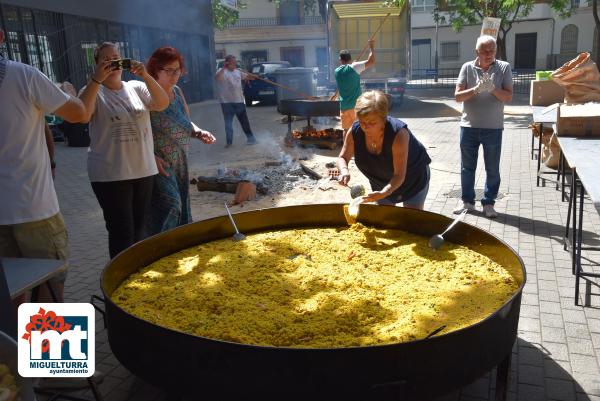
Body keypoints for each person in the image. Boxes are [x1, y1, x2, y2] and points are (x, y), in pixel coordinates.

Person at [0, 28, 87, 304]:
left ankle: (16, 347)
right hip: (34, 208)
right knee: (49, 292)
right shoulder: (23, 75)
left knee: (10, 294)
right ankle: (49, 349)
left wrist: (51, 158)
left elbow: (37, 121)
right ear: (2, 36)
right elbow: (79, 113)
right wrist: (69, 93)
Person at [78, 42, 169, 259]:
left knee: (140, 230)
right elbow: (81, 115)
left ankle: (138, 277)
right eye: (106, 59)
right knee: (121, 232)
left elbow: (162, 103)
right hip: (110, 175)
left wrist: (146, 76)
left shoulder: (135, 87)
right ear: (97, 64)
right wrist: (96, 80)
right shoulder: (92, 90)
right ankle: (119, 283)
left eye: (116, 57)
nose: (113, 62)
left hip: (143, 170)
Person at [145, 47, 216, 234]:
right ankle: (159, 249)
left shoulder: (177, 92)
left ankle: (177, 248)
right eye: (168, 70)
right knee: (171, 205)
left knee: (181, 209)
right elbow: (138, 132)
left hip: (180, 162)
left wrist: (200, 132)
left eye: (177, 70)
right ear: (154, 70)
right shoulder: (146, 94)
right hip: (160, 163)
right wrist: (149, 156)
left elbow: (186, 121)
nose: (174, 75)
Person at [338, 91, 431, 209]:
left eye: (372, 122)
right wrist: (344, 171)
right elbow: (343, 157)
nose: (365, 126)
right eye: (362, 121)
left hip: (412, 180)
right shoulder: (355, 132)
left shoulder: (398, 134)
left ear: (384, 119)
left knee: (411, 219)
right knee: (385, 219)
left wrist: (384, 193)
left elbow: (399, 175)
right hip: (380, 182)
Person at [453, 35, 513, 218]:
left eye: (492, 51)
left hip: (493, 128)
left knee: (492, 168)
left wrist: (492, 88)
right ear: (477, 52)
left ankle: (489, 204)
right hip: (468, 127)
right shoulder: (467, 67)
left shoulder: (503, 67)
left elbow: (508, 97)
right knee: (467, 167)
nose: (489, 54)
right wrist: (476, 89)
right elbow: (457, 96)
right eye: (484, 51)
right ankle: (468, 202)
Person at [215, 55, 258, 148]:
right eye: (233, 63)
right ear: (227, 63)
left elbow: (251, 78)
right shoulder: (221, 71)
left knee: (244, 121)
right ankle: (229, 142)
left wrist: (253, 76)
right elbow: (217, 78)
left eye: (235, 63)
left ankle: (251, 139)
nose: (235, 64)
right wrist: (224, 67)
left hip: (239, 101)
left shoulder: (238, 72)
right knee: (228, 123)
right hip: (226, 102)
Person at [335, 39, 375, 132]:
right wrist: (371, 47)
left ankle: (346, 146)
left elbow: (347, 69)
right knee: (359, 130)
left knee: (346, 131)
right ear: (350, 58)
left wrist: (353, 64)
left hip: (344, 107)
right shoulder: (355, 67)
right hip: (355, 107)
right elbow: (371, 61)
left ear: (340, 60)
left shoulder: (336, 71)